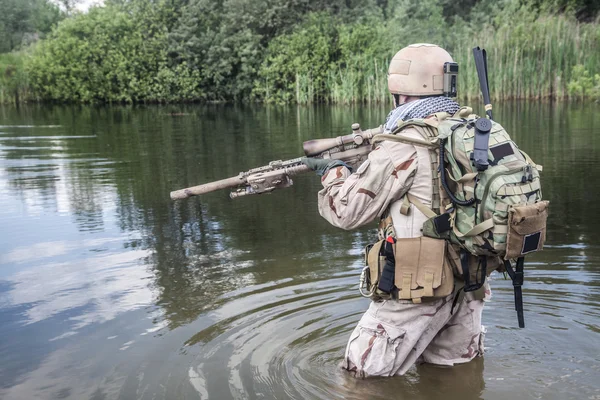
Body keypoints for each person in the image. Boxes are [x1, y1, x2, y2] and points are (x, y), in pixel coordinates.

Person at [302, 43, 492, 377]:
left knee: (359, 380)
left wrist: (333, 173)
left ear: (400, 93)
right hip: (471, 281)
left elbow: (346, 211)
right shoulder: (475, 131)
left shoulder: (405, 143)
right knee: (453, 380)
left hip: (420, 287)